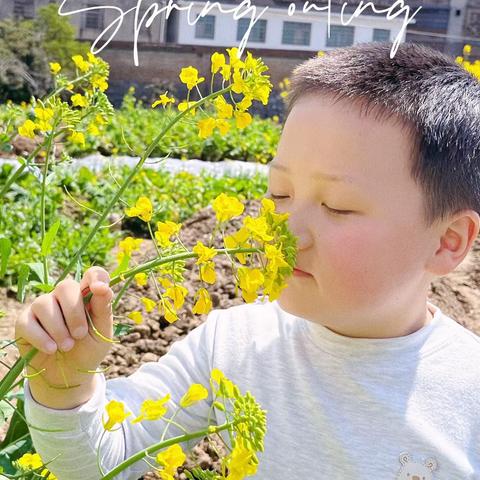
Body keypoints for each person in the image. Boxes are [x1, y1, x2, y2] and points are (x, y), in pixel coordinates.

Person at [15, 41, 480, 479]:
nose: (286, 231)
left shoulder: (469, 393)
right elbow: (101, 462)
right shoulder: (230, 346)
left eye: (337, 205)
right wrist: (65, 385)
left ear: (448, 242)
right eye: (279, 193)